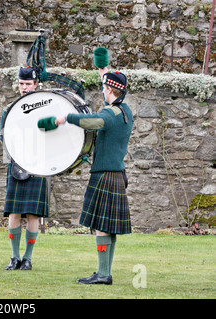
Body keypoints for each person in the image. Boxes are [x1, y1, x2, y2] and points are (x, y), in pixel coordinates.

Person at [55, 67, 133, 285]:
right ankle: (104, 271)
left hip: (105, 175)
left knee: (101, 226)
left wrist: (66, 118)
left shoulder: (110, 113)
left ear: (109, 89)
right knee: (110, 228)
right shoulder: (125, 111)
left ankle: (103, 274)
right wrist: (105, 74)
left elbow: (95, 121)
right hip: (116, 173)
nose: (102, 91)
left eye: (104, 88)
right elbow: (112, 95)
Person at [0, 66, 50, 271]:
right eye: (21, 84)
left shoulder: (47, 108)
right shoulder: (10, 110)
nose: (24, 88)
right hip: (17, 165)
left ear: (36, 84)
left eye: (28, 84)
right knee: (14, 213)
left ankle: (27, 258)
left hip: (38, 165)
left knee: (33, 215)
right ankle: (14, 257)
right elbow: (4, 137)